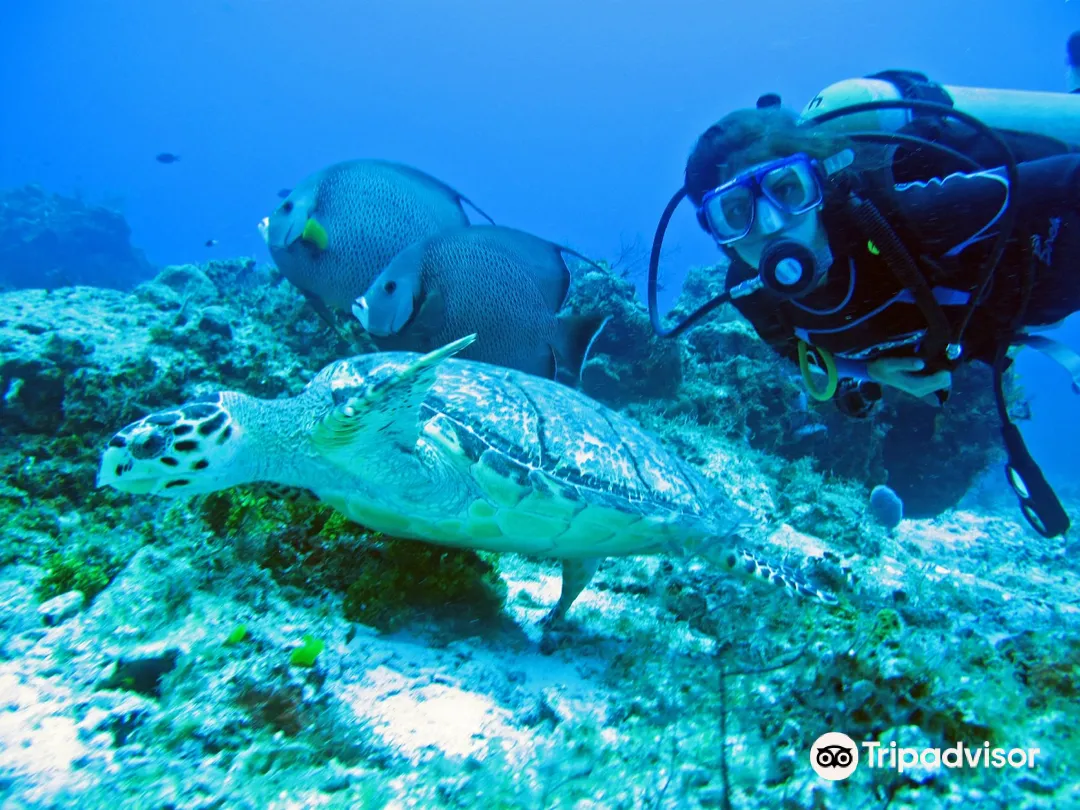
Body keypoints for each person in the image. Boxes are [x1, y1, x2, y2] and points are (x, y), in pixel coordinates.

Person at [646, 54, 1080, 538]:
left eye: (787, 189)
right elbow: (800, 353)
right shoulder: (751, 293)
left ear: (821, 181)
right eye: (735, 211)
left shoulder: (907, 219)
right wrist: (868, 371)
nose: (770, 225)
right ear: (717, 233)